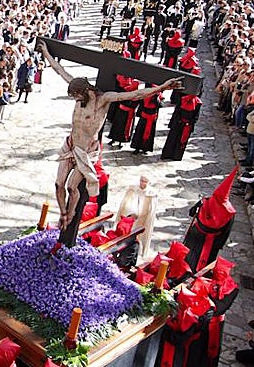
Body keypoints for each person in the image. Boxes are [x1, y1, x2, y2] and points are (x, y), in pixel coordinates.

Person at [38, 40, 182, 238]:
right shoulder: (77, 87)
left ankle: (69, 215)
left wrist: (163, 87)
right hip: (70, 145)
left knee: (73, 187)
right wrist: (46, 53)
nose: (75, 101)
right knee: (58, 184)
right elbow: (59, 69)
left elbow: (135, 94)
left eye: (76, 97)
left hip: (86, 151)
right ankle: (63, 213)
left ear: (84, 91)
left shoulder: (103, 99)